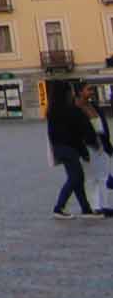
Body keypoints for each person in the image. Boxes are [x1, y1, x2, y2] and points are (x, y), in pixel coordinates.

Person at [46, 80, 97, 219]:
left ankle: (86, 209)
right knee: (75, 177)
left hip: (59, 148)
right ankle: (59, 207)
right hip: (70, 149)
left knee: (77, 178)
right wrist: (86, 148)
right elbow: (79, 132)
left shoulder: (52, 112)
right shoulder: (71, 110)